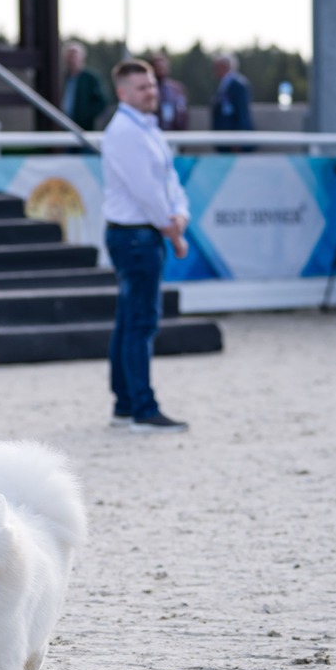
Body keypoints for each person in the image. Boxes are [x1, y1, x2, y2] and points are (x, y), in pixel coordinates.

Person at [101, 59, 191, 435]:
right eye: (141, 87)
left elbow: (169, 180)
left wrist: (179, 215)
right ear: (122, 93)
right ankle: (141, 407)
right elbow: (148, 192)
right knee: (140, 322)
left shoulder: (147, 128)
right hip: (136, 234)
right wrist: (174, 231)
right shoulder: (125, 131)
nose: (150, 92)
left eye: (151, 85)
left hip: (141, 232)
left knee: (129, 320)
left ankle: (125, 402)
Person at [210, 52, 253, 151]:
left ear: (225, 66)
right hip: (223, 139)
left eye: (217, 67)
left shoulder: (239, 85)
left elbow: (243, 113)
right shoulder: (222, 84)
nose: (214, 70)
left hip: (234, 141)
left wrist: (239, 140)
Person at [61, 41, 107, 131]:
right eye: (69, 56)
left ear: (82, 57)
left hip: (84, 128)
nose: (71, 60)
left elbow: (102, 102)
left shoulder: (90, 78)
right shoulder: (63, 78)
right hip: (64, 125)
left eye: (74, 56)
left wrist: (85, 116)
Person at [150, 51, 189, 132]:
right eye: (158, 67)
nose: (161, 69)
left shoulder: (177, 88)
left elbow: (184, 112)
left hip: (175, 132)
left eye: (163, 66)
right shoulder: (148, 89)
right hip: (156, 131)